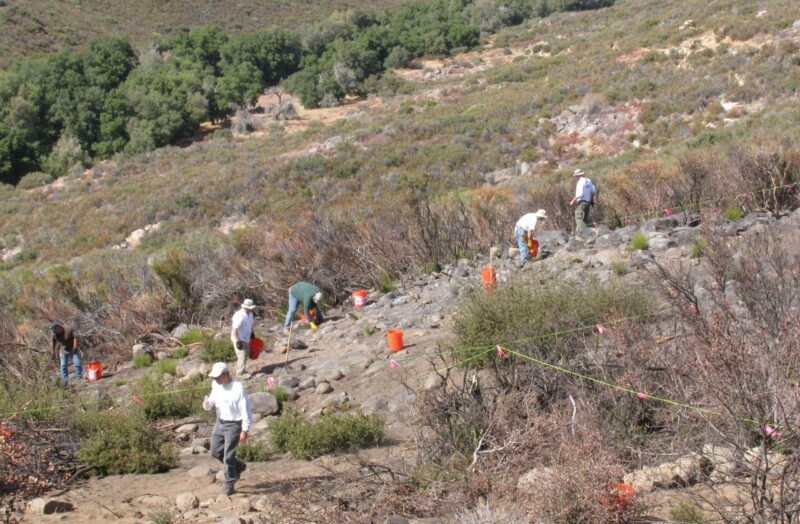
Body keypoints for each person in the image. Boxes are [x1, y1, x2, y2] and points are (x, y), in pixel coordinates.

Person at [202, 362, 252, 496]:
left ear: (225, 374)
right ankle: (238, 466)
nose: (215, 380)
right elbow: (212, 399)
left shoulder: (238, 388)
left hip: (234, 424)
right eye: (214, 378)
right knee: (215, 450)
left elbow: (245, 409)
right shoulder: (216, 385)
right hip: (220, 421)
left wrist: (245, 429)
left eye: (217, 377)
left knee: (228, 456)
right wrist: (207, 404)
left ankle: (229, 483)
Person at [230, 299, 256, 376]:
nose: (252, 309)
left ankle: (242, 369)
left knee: (246, 353)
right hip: (239, 338)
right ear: (246, 307)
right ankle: (240, 373)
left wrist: (252, 333)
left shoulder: (250, 314)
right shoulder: (239, 316)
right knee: (242, 355)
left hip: (246, 338)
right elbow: (234, 330)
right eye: (251, 308)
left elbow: (250, 325)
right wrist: (238, 341)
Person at [569, 168, 596, 234]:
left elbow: (580, 194)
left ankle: (580, 234)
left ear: (577, 176)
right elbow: (593, 191)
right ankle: (583, 234)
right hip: (588, 202)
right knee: (584, 219)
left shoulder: (580, 182)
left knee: (578, 217)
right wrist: (591, 199)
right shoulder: (588, 180)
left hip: (581, 202)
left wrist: (572, 201)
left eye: (576, 176)